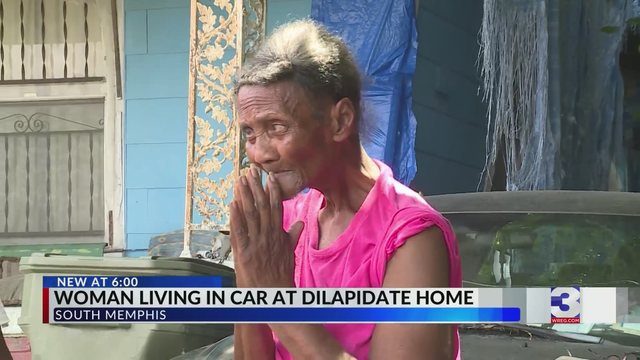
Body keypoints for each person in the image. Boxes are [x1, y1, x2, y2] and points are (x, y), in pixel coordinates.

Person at [228, 19, 462, 360]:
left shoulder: (410, 236)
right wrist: (248, 278)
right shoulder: (282, 223)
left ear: (340, 121)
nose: (260, 153)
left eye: (276, 127)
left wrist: (277, 298)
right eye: (250, 133)